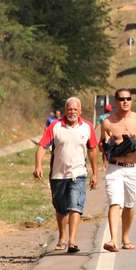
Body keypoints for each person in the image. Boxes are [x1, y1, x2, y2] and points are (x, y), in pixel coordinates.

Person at [34, 97, 98, 253]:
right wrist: (38, 165)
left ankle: (72, 241)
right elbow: (42, 146)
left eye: (75, 109)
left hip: (78, 174)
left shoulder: (87, 127)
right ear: (65, 110)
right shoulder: (55, 126)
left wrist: (95, 173)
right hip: (58, 175)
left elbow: (93, 150)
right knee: (61, 208)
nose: (72, 112)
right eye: (70, 109)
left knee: (75, 206)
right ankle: (62, 237)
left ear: (80, 111)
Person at [100, 88, 136, 252]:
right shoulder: (108, 122)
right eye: (122, 99)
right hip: (115, 168)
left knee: (129, 205)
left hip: (132, 168)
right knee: (115, 202)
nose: (125, 101)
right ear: (116, 101)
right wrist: (108, 146)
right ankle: (113, 240)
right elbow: (102, 145)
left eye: (128, 98)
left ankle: (125, 237)